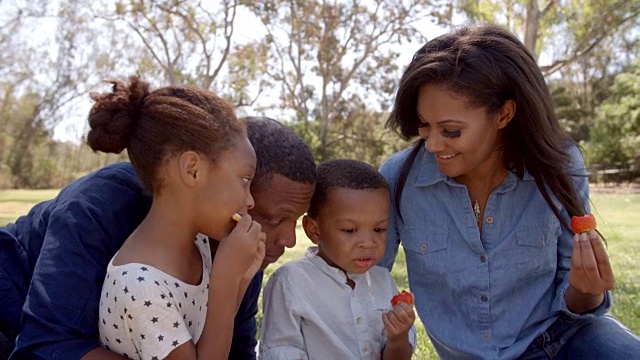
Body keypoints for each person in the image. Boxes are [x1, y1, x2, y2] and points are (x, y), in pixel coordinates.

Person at [379, 24, 640, 359]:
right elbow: (363, 283)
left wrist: (586, 289)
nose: (431, 144)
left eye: (451, 131)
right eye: (424, 125)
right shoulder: (399, 178)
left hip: (565, 339)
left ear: (504, 114)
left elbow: (578, 305)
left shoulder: (558, 164)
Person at [0, 113, 316, 359]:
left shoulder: (242, 253)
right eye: (274, 219)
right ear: (203, 177)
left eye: (296, 221)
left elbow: (237, 351)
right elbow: (47, 346)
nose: (289, 239)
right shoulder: (105, 203)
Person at [90, 76, 267, 359]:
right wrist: (225, 277)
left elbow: (210, 335)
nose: (250, 201)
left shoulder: (198, 244)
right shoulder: (140, 284)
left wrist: (241, 278)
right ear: (193, 170)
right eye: (244, 179)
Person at [260, 159, 417, 360]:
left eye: (379, 229)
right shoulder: (291, 282)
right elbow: (281, 351)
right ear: (314, 230)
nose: (368, 243)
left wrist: (398, 338)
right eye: (350, 230)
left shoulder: (383, 281)